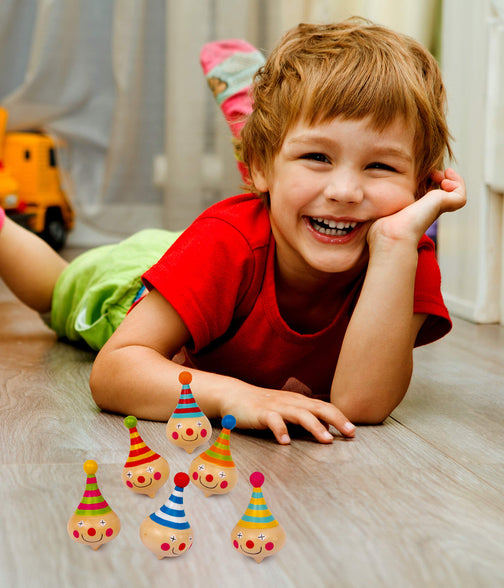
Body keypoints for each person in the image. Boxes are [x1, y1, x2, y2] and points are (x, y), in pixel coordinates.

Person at [0, 18, 466, 445]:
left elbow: (359, 406)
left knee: (273, 212)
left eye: (380, 166)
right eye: (317, 157)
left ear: (421, 187)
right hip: (145, 280)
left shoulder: (404, 253)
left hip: (231, 260)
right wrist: (233, 397)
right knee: (55, 288)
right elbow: (115, 372)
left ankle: (268, 128)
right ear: (258, 169)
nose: (345, 191)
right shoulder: (224, 240)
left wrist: (394, 245)